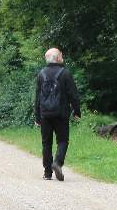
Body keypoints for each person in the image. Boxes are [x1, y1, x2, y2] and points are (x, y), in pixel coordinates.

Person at [34, 47, 82, 180]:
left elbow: (37, 98)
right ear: (58, 58)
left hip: (45, 115)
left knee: (46, 143)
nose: (62, 56)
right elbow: (73, 95)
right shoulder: (65, 73)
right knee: (62, 141)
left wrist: (37, 116)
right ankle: (57, 163)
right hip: (61, 114)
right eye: (61, 55)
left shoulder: (41, 74)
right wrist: (77, 112)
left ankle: (47, 173)